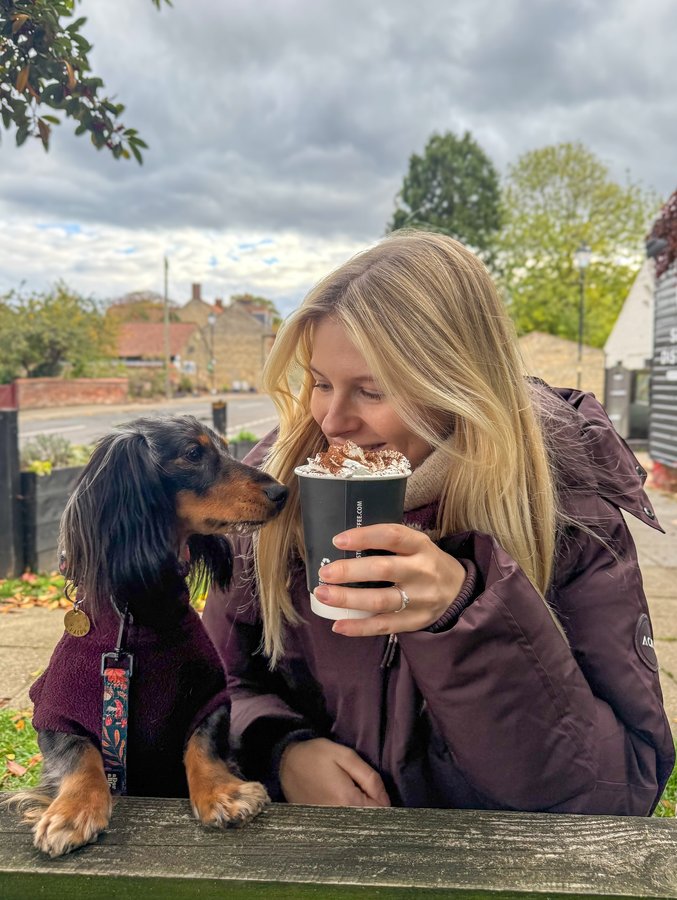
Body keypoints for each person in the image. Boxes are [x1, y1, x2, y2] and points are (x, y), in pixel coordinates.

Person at [203, 230, 675, 815]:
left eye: (372, 391)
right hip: (323, 863)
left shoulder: (567, 512)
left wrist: (467, 616)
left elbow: (621, 790)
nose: (331, 419)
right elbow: (211, 684)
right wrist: (281, 751)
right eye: (321, 383)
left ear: (459, 389)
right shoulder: (278, 488)